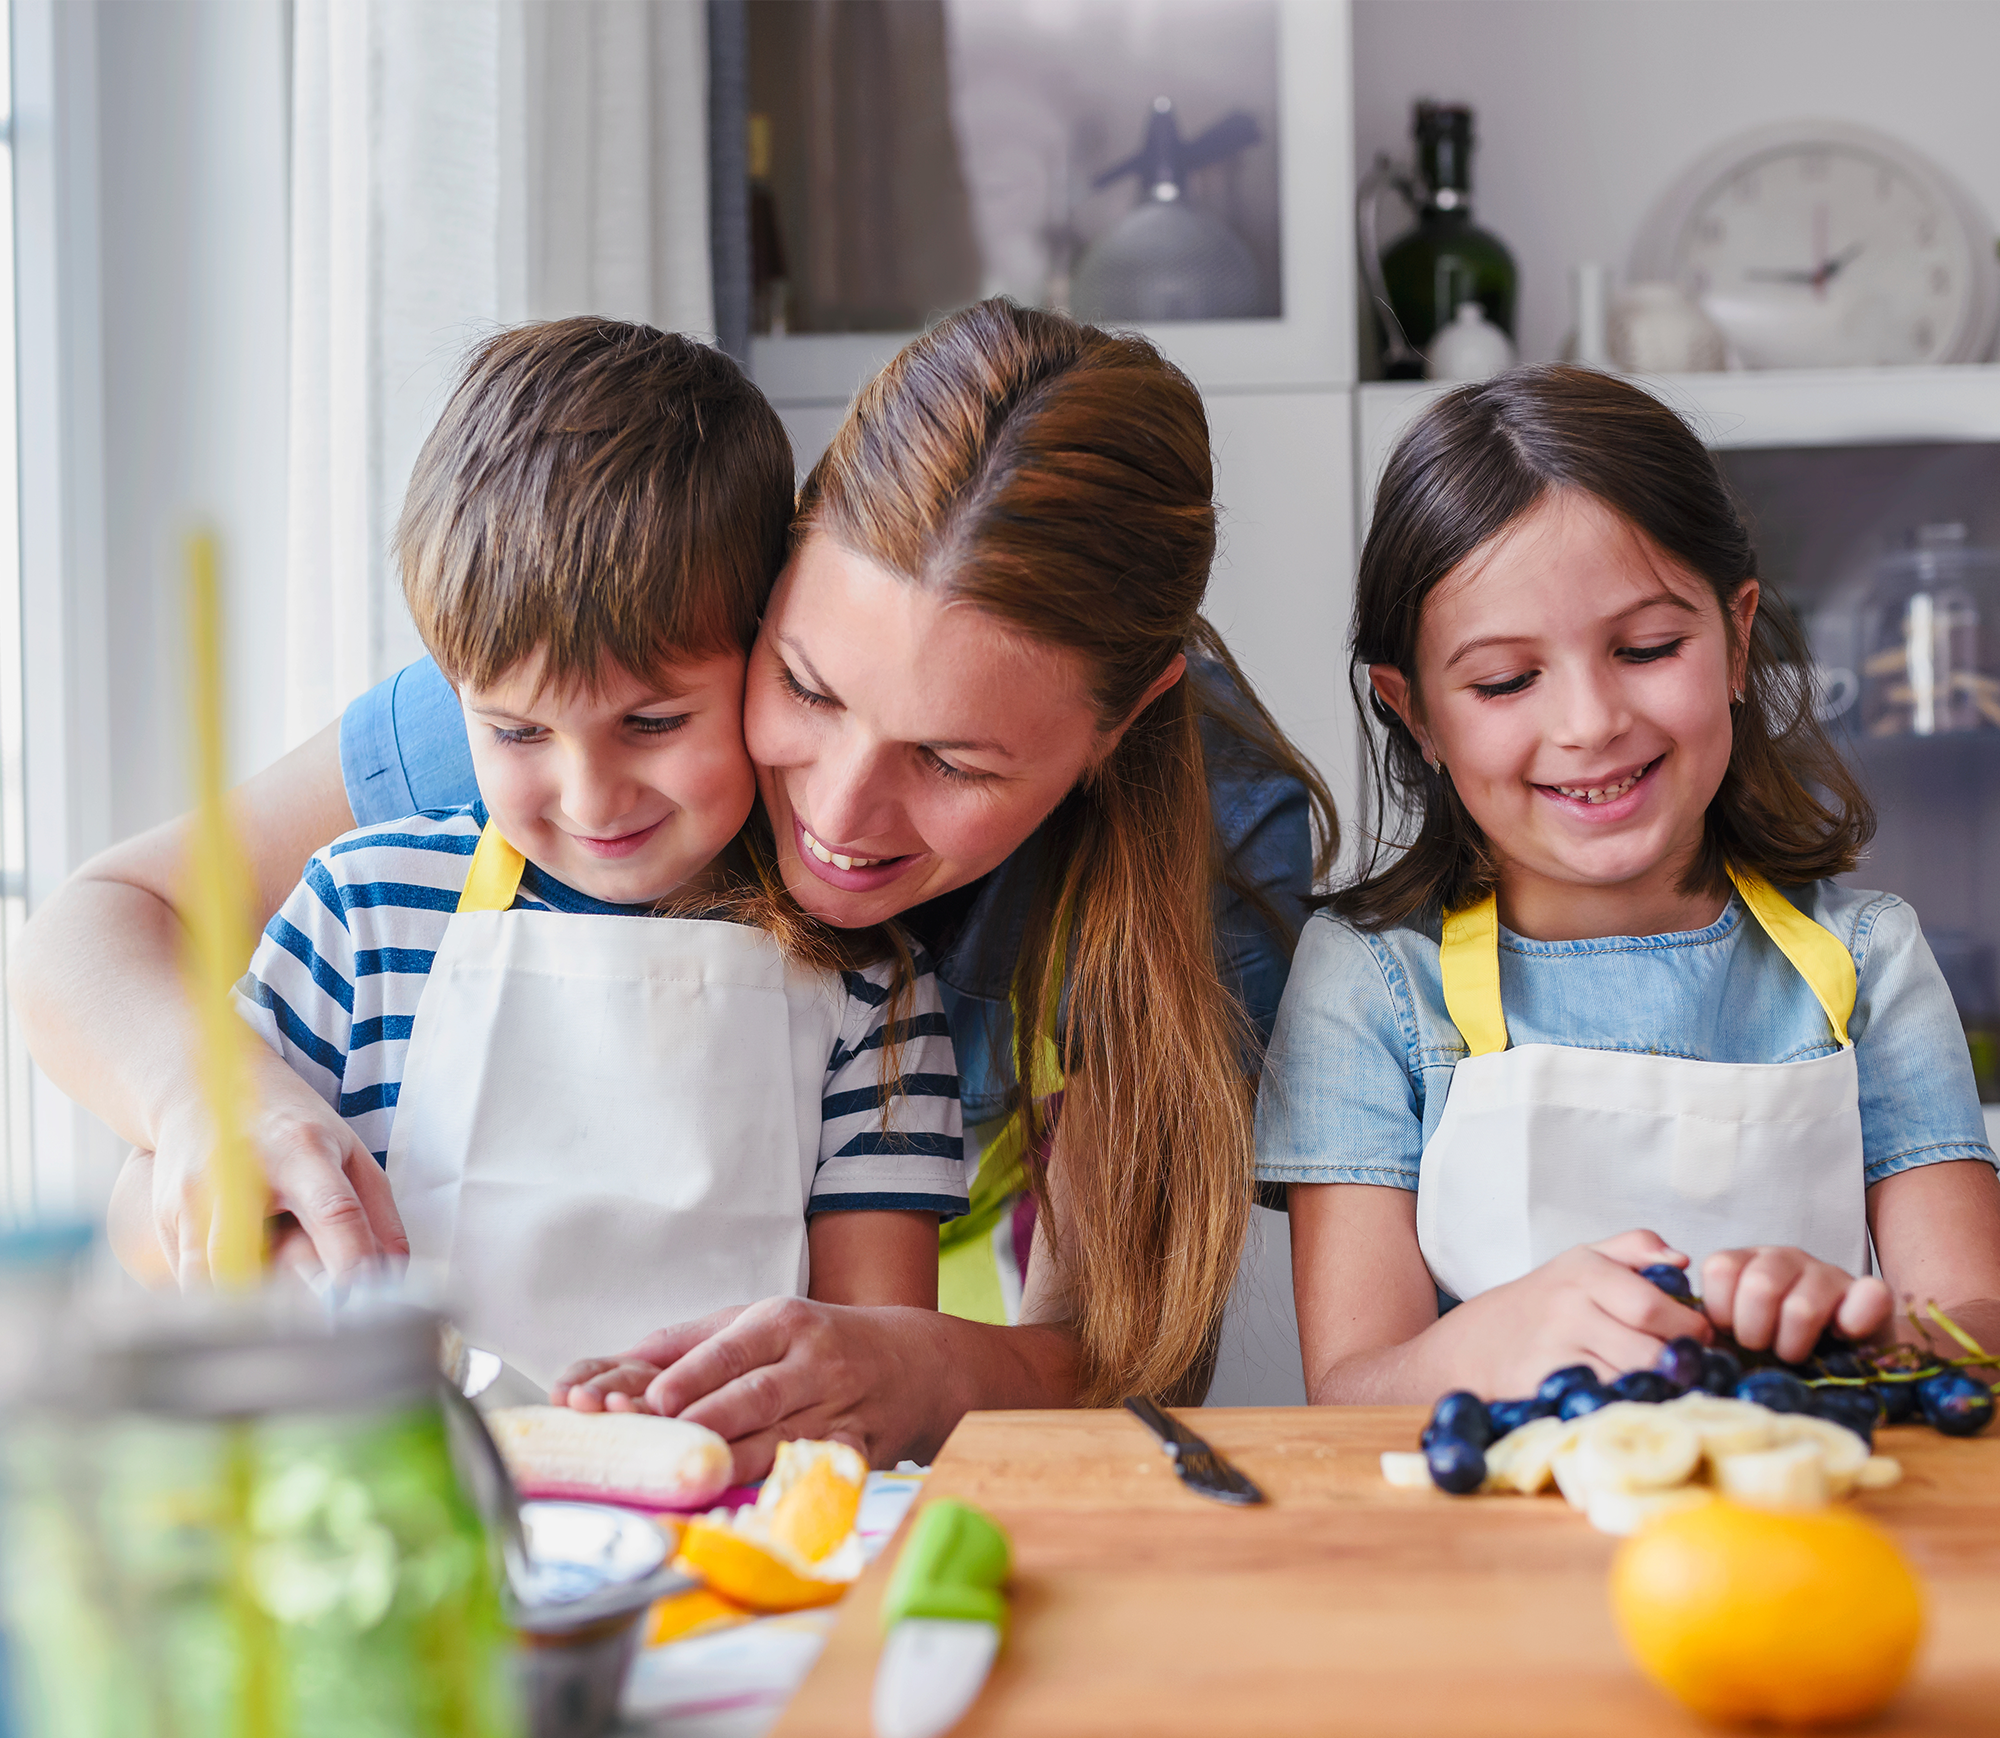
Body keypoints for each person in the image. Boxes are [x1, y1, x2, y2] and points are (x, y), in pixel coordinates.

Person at [15, 299, 1332, 1474]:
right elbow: (104, 925)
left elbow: (1116, 1348)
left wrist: (914, 1363)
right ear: (771, 583)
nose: (835, 814)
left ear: (1121, 723)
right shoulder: (584, 694)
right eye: (806, 686)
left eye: (952, 762)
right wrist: (214, 1113)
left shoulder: (1212, 855)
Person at [197, 320, 964, 1388]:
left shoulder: (868, 984)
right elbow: (164, 1206)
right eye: (516, 732)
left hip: (723, 1480)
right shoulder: (360, 915)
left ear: (766, 660)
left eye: (652, 723)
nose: (590, 797)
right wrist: (274, 1253)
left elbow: (872, 1360)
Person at [1256, 365, 2000, 1404]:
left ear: (1737, 638)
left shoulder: (1867, 956)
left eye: (1646, 648)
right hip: (1495, 1513)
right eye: (1505, 680)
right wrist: (1484, 1344)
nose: (1590, 722)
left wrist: (1863, 1326)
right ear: (1415, 710)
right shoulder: (1371, 981)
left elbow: (1976, 1327)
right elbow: (1348, 1390)